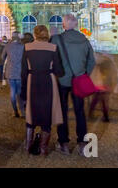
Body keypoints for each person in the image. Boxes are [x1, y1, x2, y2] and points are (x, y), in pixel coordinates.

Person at [51, 14, 96, 156]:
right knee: (79, 111)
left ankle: (63, 143)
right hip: (79, 80)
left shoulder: (57, 39)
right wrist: (84, 74)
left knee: (62, 111)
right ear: (75, 25)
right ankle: (82, 143)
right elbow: (92, 61)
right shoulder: (84, 39)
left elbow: (52, 59)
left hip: (62, 80)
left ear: (64, 25)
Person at [21, 25, 64, 156]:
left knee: (31, 113)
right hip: (48, 81)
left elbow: (23, 71)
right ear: (47, 35)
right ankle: (43, 148)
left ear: (35, 35)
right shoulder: (53, 48)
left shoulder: (27, 48)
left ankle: (28, 146)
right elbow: (59, 71)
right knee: (47, 113)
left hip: (32, 80)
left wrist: (23, 91)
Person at [2, 32, 25, 118]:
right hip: (19, 72)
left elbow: (2, 56)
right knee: (19, 92)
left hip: (10, 72)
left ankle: (15, 110)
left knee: (12, 92)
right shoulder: (23, 46)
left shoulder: (8, 46)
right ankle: (22, 111)